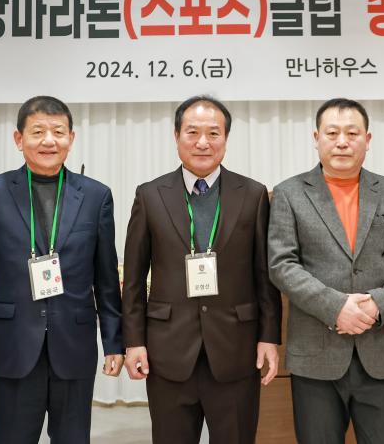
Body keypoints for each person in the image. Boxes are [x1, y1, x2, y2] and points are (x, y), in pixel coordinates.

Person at [121, 95, 282, 443]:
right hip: (168, 352)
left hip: (236, 350)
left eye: (213, 133)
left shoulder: (253, 194)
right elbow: (133, 279)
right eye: (192, 132)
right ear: (176, 136)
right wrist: (133, 342)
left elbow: (264, 275)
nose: (203, 142)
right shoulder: (150, 195)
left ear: (226, 138)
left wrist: (269, 336)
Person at [268, 97, 384, 444]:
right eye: (332, 133)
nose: (342, 142)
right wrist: (335, 306)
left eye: (352, 133)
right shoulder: (289, 194)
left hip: (380, 349)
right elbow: (282, 264)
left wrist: (378, 304)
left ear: (367, 139)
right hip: (315, 355)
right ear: (316, 138)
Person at [0, 96, 123, 444]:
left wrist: (114, 342)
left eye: (58, 131)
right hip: (9, 346)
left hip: (74, 345)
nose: (49, 140)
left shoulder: (96, 196)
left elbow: (106, 278)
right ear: (18, 138)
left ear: (72, 138)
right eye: (38, 131)